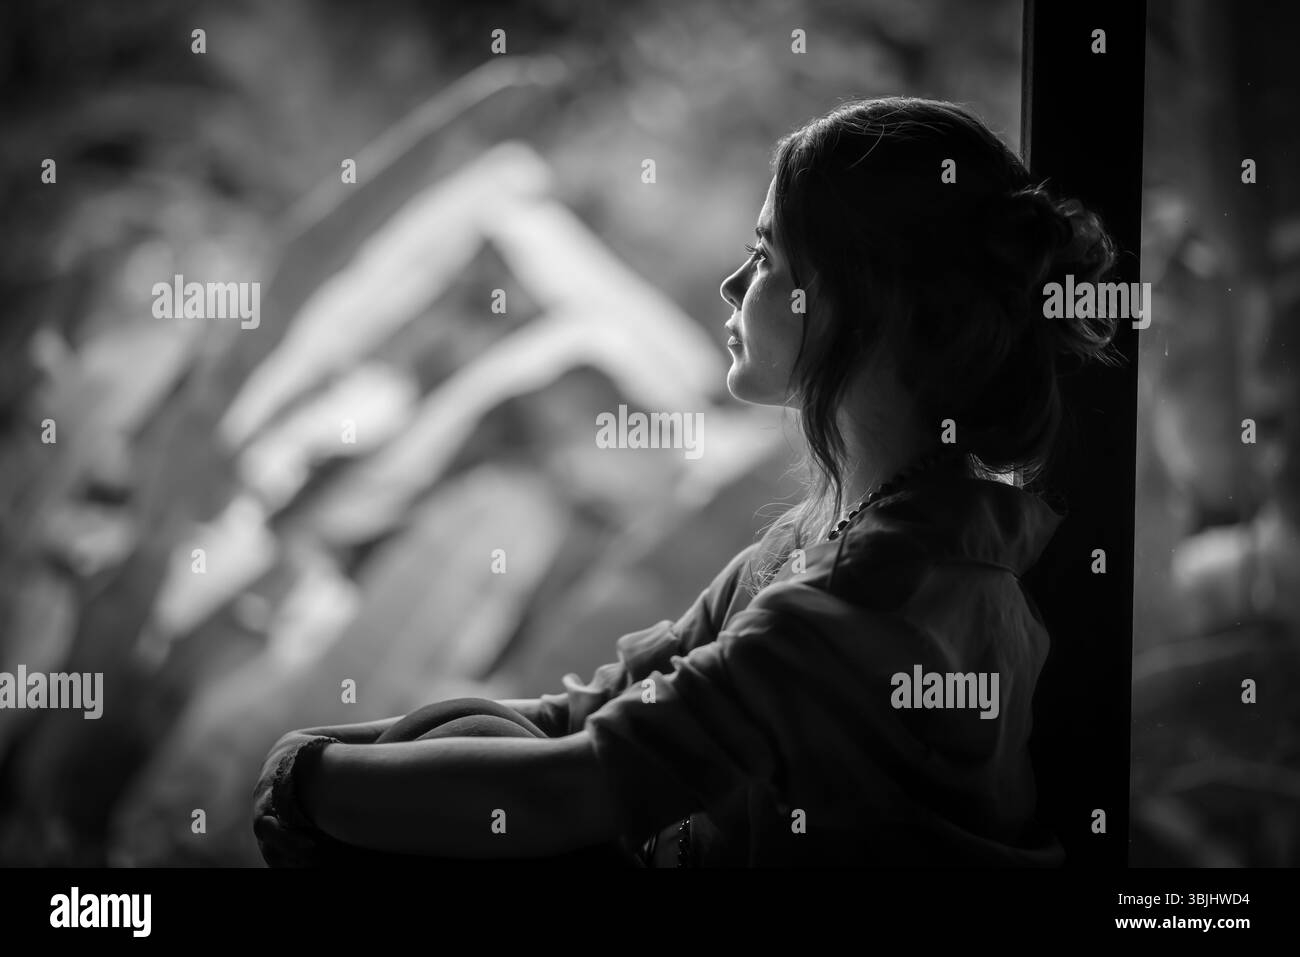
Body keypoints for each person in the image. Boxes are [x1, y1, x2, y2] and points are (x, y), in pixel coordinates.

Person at [252, 96, 1123, 868]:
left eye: (766, 258)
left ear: (856, 304)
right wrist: (345, 746)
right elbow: (592, 709)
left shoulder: (864, 603)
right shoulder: (840, 546)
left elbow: (574, 788)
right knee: (471, 741)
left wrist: (304, 778)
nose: (731, 283)